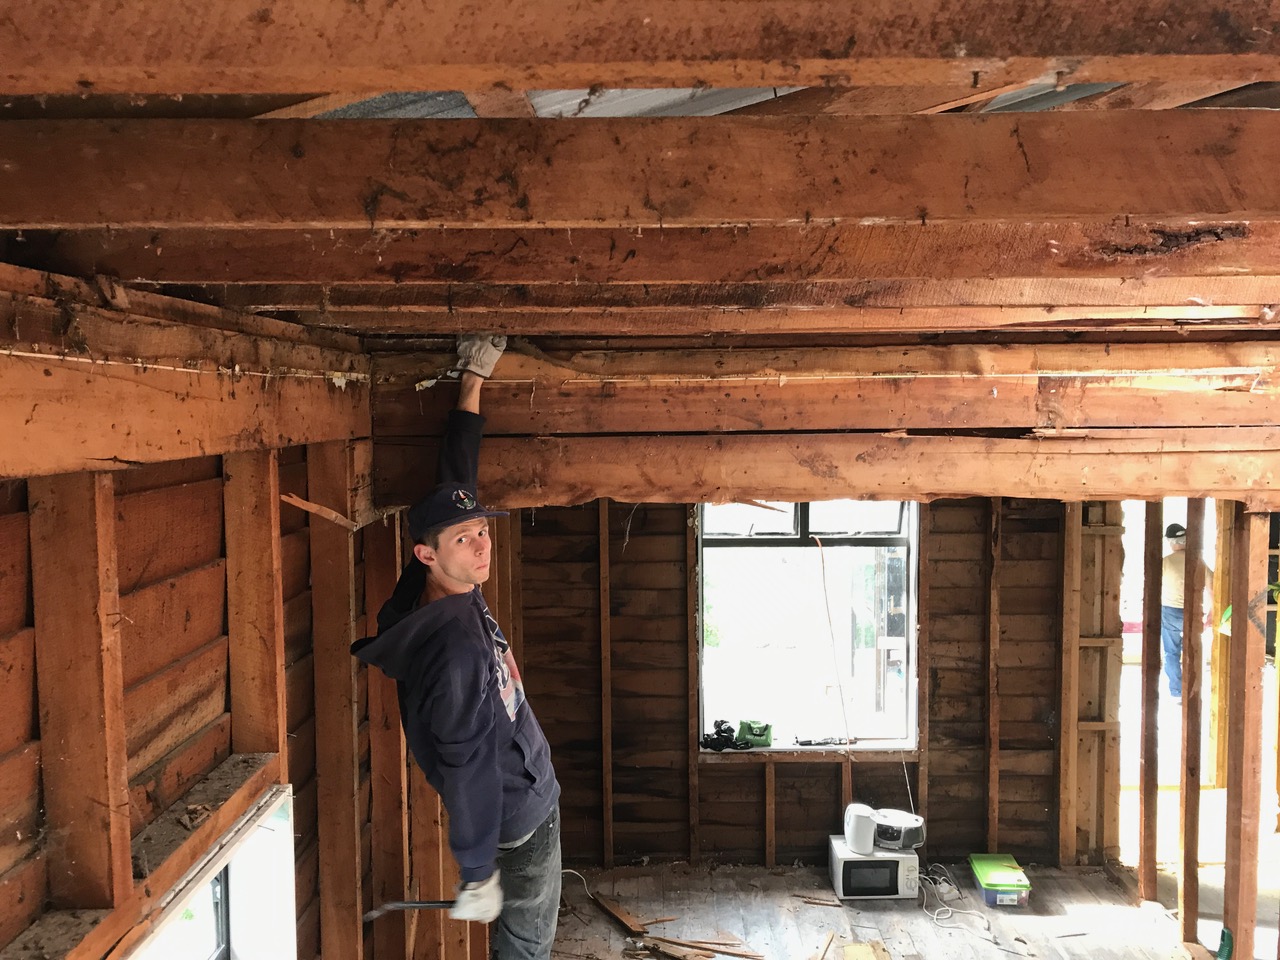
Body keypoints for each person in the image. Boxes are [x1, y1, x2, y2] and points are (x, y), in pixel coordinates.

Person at [352, 335, 562, 960]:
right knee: (525, 949)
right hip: (521, 821)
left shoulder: (441, 588)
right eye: (466, 539)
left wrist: (472, 381)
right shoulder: (458, 654)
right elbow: (467, 763)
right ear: (425, 554)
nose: (482, 546)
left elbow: (455, 487)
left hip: (521, 796)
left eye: (481, 533)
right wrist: (476, 871)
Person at [1159, 522, 1212, 704]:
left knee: (1171, 653)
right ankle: (1194, 690)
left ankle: (1177, 691)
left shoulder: (1165, 562)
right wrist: (1212, 611)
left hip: (1169, 612)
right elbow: (1213, 586)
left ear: (1171, 541)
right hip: (1193, 611)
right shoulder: (1198, 561)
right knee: (1192, 650)